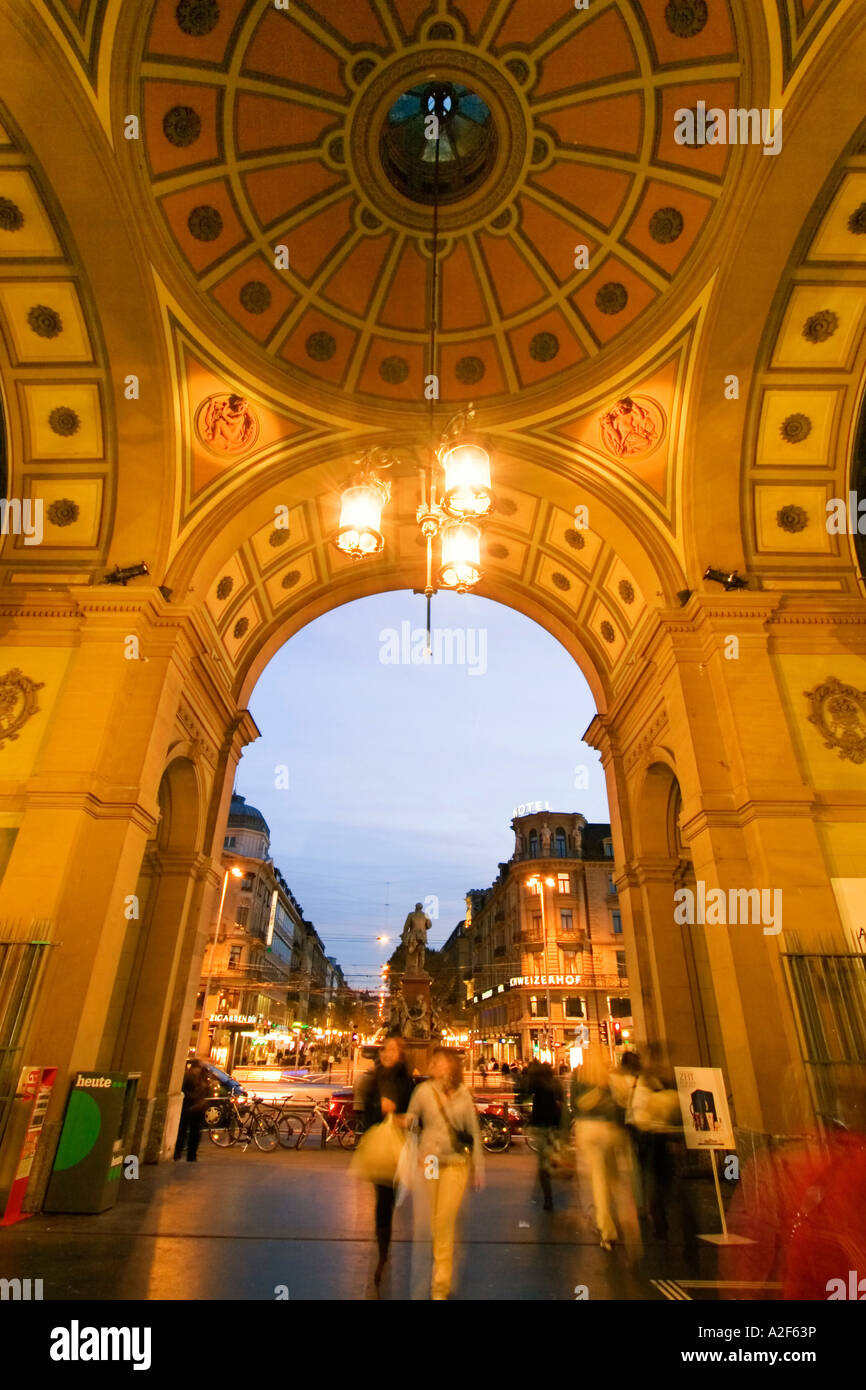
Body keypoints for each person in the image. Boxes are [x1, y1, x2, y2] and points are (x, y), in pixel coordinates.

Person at [407, 1048, 484, 1300]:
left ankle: (439, 1285)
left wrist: (478, 1167)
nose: (433, 1064)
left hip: (455, 1163)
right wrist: (399, 1120)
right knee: (431, 1220)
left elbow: (473, 1133)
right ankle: (434, 1270)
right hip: (429, 1160)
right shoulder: (423, 1091)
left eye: (438, 1061)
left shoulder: (463, 1095)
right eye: (433, 1061)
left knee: (444, 1220)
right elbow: (411, 1119)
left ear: (450, 1066)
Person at [572, 1048, 641, 1259]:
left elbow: (573, 1108)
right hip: (611, 1131)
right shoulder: (611, 1079)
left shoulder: (579, 1078)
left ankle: (607, 1232)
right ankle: (631, 1226)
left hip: (589, 1132)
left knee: (599, 1182)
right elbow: (624, 1107)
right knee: (619, 1182)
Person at [362, 1036, 414, 1291]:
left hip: (400, 1146)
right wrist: (378, 1110)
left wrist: (403, 1117)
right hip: (380, 1145)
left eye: (393, 1049)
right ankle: (383, 1250)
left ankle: (385, 1241)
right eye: (386, 1049)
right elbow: (364, 1110)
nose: (388, 1052)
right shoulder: (374, 1077)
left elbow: (416, 1113)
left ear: (400, 1055)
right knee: (383, 1199)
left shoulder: (407, 1079)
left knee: (390, 1198)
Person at [527, 1060, 564, 1211]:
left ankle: (548, 1198)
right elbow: (562, 1102)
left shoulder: (537, 1085)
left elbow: (529, 1094)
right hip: (555, 1125)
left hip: (540, 1126)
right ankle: (552, 1163)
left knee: (542, 1160)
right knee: (553, 1151)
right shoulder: (556, 1084)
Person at [174, 1058, 210, 1162]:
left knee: (194, 1133)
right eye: (197, 1067)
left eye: (199, 1068)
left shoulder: (202, 1078)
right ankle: (179, 1152)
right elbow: (184, 1091)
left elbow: (207, 1090)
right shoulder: (188, 1077)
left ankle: (191, 1155)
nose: (198, 1070)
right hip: (189, 1107)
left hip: (198, 1108)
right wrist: (194, 1098)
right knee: (183, 1131)